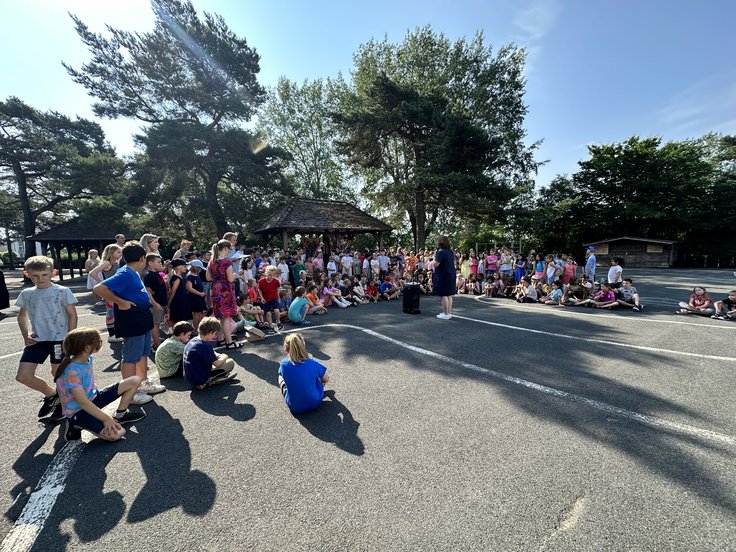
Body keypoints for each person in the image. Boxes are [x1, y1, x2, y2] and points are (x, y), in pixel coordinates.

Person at [93, 241, 166, 405]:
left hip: (142, 317)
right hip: (132, 319)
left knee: (142, 353)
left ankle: (143, 382)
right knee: (130, 357)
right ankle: (130, 392)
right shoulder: (125, 273)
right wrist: (120, 302)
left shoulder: (132, 272)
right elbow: (99, 288)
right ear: (142, 258)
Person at [15, 256, 78, 421]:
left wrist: (70, 338)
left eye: (44, 274)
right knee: (23, 376)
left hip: (60, 339)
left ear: (53, 272)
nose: (40, 279)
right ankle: (52, 395)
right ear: (27, 274)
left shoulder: (62, 291)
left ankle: (66, 404)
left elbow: (72, 314)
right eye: (35, 275)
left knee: (57, 372)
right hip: (37, 340)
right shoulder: (27, 293)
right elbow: (22, 316)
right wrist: (25, 335)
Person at [55, 328, 145, 441]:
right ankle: (75, 423)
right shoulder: (72, 371)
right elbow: (82, 402)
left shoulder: (88, 359)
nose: (100, 342)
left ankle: (121, 415)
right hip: (79, 410)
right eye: (97, 341)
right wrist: (106, 419)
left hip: (93, 399)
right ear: (87, 347)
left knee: (135, 380)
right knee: (117, 434)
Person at [278, 332, 329, 414]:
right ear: (303, 347)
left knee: (280, 376)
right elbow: (326, 379)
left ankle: (294, 393)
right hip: (315, 403)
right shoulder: (313, 363)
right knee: (317, 376)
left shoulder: (283, 364)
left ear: (286, 350)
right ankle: (315, 392)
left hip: (295, 407)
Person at [207, 240, 243, 349]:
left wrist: (217, 277)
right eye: (230, 249)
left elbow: (208, 278)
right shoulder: (226, 262)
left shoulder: (211, 261)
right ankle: (229, 342)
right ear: (225, 248)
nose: (230, 251)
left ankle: (221, 340)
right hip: (225, 291)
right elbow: (230, 279)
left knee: (219, 316)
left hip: (215, 289)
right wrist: (235, 275)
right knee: (226, 317)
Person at [183, 317, 237, 389]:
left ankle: (206, 381)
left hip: (188, 378)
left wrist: (217, 355)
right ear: (210, 332)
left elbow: (211, 353)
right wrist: (224, 356)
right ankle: (210, 382)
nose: (214, 335)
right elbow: (217, 364)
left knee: (213, 361)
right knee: (230, 362)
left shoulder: (193, 340)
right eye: (214, 333)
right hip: (199, 378)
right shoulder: (204, 345)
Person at [88, 244, 123, 342]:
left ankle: (116, 333)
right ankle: (111, 335)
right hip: (110, 291)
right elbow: (92, 273)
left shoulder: (116, 262)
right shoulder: (107, 263)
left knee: (116, 312)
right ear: (111, 253)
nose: (120, 254)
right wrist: (103, 283)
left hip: (116, 290)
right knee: (111, 312)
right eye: (118, 252)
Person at [143, 254, 168, 350]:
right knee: (155, 324)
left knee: (157, 323)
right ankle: (156, 345)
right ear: (150, 263)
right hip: (155, 304)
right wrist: (154, 303)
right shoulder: (149, 275)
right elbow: (148, 291)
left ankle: (156, 340)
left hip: (160, 303)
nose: (160, 264)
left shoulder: (156, 274)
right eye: (158, 262)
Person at [432, 235, 457, 320]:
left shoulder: (441, 252)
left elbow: (436, 264)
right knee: (449, 294)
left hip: (443, 274)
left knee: (444, 295)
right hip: (451, 273)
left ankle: (445, 314)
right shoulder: (450, 251)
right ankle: (448, 313)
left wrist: (432, 261)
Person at [259, 265, 284, 332]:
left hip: (274, 297)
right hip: (266, 299)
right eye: (269, 275)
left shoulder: (276, 281)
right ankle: (270, 327)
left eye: (272, 275)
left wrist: (278, 296)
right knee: (268, 313)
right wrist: (261, 297)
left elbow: (277, 288)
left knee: (276, 310)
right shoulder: (261, 281)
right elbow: (260, 290)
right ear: (265, 274)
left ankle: (278, 322)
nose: (270, 277)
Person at [186, 259, 207, 330]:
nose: (200, 270)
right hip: (194, 298)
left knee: (200, 313)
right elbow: (189, 288)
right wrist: (200, 293)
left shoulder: (196, 276)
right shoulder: (189, 276)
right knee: (196, 314)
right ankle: (195, 329)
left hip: (200, 297)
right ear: (195, 267)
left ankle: (198, 328)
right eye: (200, 268)